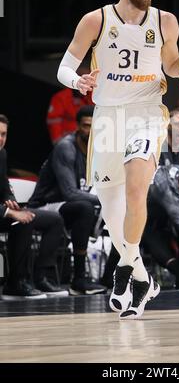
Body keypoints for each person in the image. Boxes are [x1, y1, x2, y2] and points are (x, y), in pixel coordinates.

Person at [56, 0, 179, 319]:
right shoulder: (95, 21)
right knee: (113, 214)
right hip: (108, 117)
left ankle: (124, 270)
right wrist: (78, 80)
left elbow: (173, 65)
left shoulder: (166, 22)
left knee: (135, 186)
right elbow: (64, 66)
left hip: (147, 113)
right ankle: (144, 278)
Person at [28, 106, 106, 296]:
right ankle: (78, 278)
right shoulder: (66, 147)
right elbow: (70, 193)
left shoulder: (96, 150)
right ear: (78, 126)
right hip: (45, 205)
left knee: (119, 210)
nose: (90, 131)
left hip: (70, 207)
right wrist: (105, 199)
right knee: (85, 208)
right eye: (86, 126)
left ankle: (109, 276)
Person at [0, 114, 67, 300]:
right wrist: (9, 212)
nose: (1, 139)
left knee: (47, 220)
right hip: (2, 213)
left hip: (2, 213)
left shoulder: (1, 154)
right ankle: (15, 282)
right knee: (21, 220)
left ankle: (36, 279)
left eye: (4, 134)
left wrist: (9, 199)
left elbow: (4, 187)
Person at [47, 66, 93, 144]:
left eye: (88, 81)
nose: (85, 83)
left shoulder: (93, 95)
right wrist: (59, 144)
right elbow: (53, 122)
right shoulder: (61, 97)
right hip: (68, 141)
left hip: (90, 141)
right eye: (83, 80)